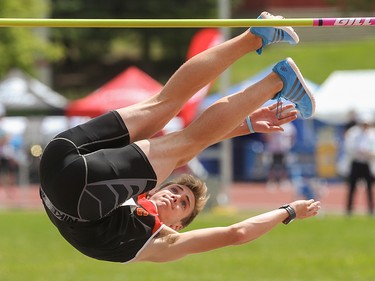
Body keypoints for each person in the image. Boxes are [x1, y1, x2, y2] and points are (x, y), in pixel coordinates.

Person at [39, 11, 320, 264]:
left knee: (174, 126)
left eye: (181, 201)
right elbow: (237, 232)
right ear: (179, 227)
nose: (174, 198)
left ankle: (276, 77)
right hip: (62, 165)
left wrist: (245, 123)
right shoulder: (157, 232)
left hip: (63, 175)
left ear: (175, 225)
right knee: (164, 107)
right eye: (176, 194)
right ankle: (257, 39)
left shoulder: (158, 241)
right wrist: (288, 210)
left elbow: (189, 142)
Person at [343, 113, 375, 216]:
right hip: (356, 162)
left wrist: (369, 153)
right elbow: (349, 147)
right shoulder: (353, 133)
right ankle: (349, 209)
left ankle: (370, 209)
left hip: (367, 163)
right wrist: (359, 152)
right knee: (352, 187)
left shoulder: (372, 134)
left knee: (369, 187)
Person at [264, 121, 296, 190]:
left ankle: (283, 181)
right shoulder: (272, 123)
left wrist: (290, 144)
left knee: (284, 165)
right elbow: (266, 134)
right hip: (273, 149)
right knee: (271, 166)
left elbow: (293, 136)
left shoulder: (289, 126)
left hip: (284, 149)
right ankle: (271, 181)